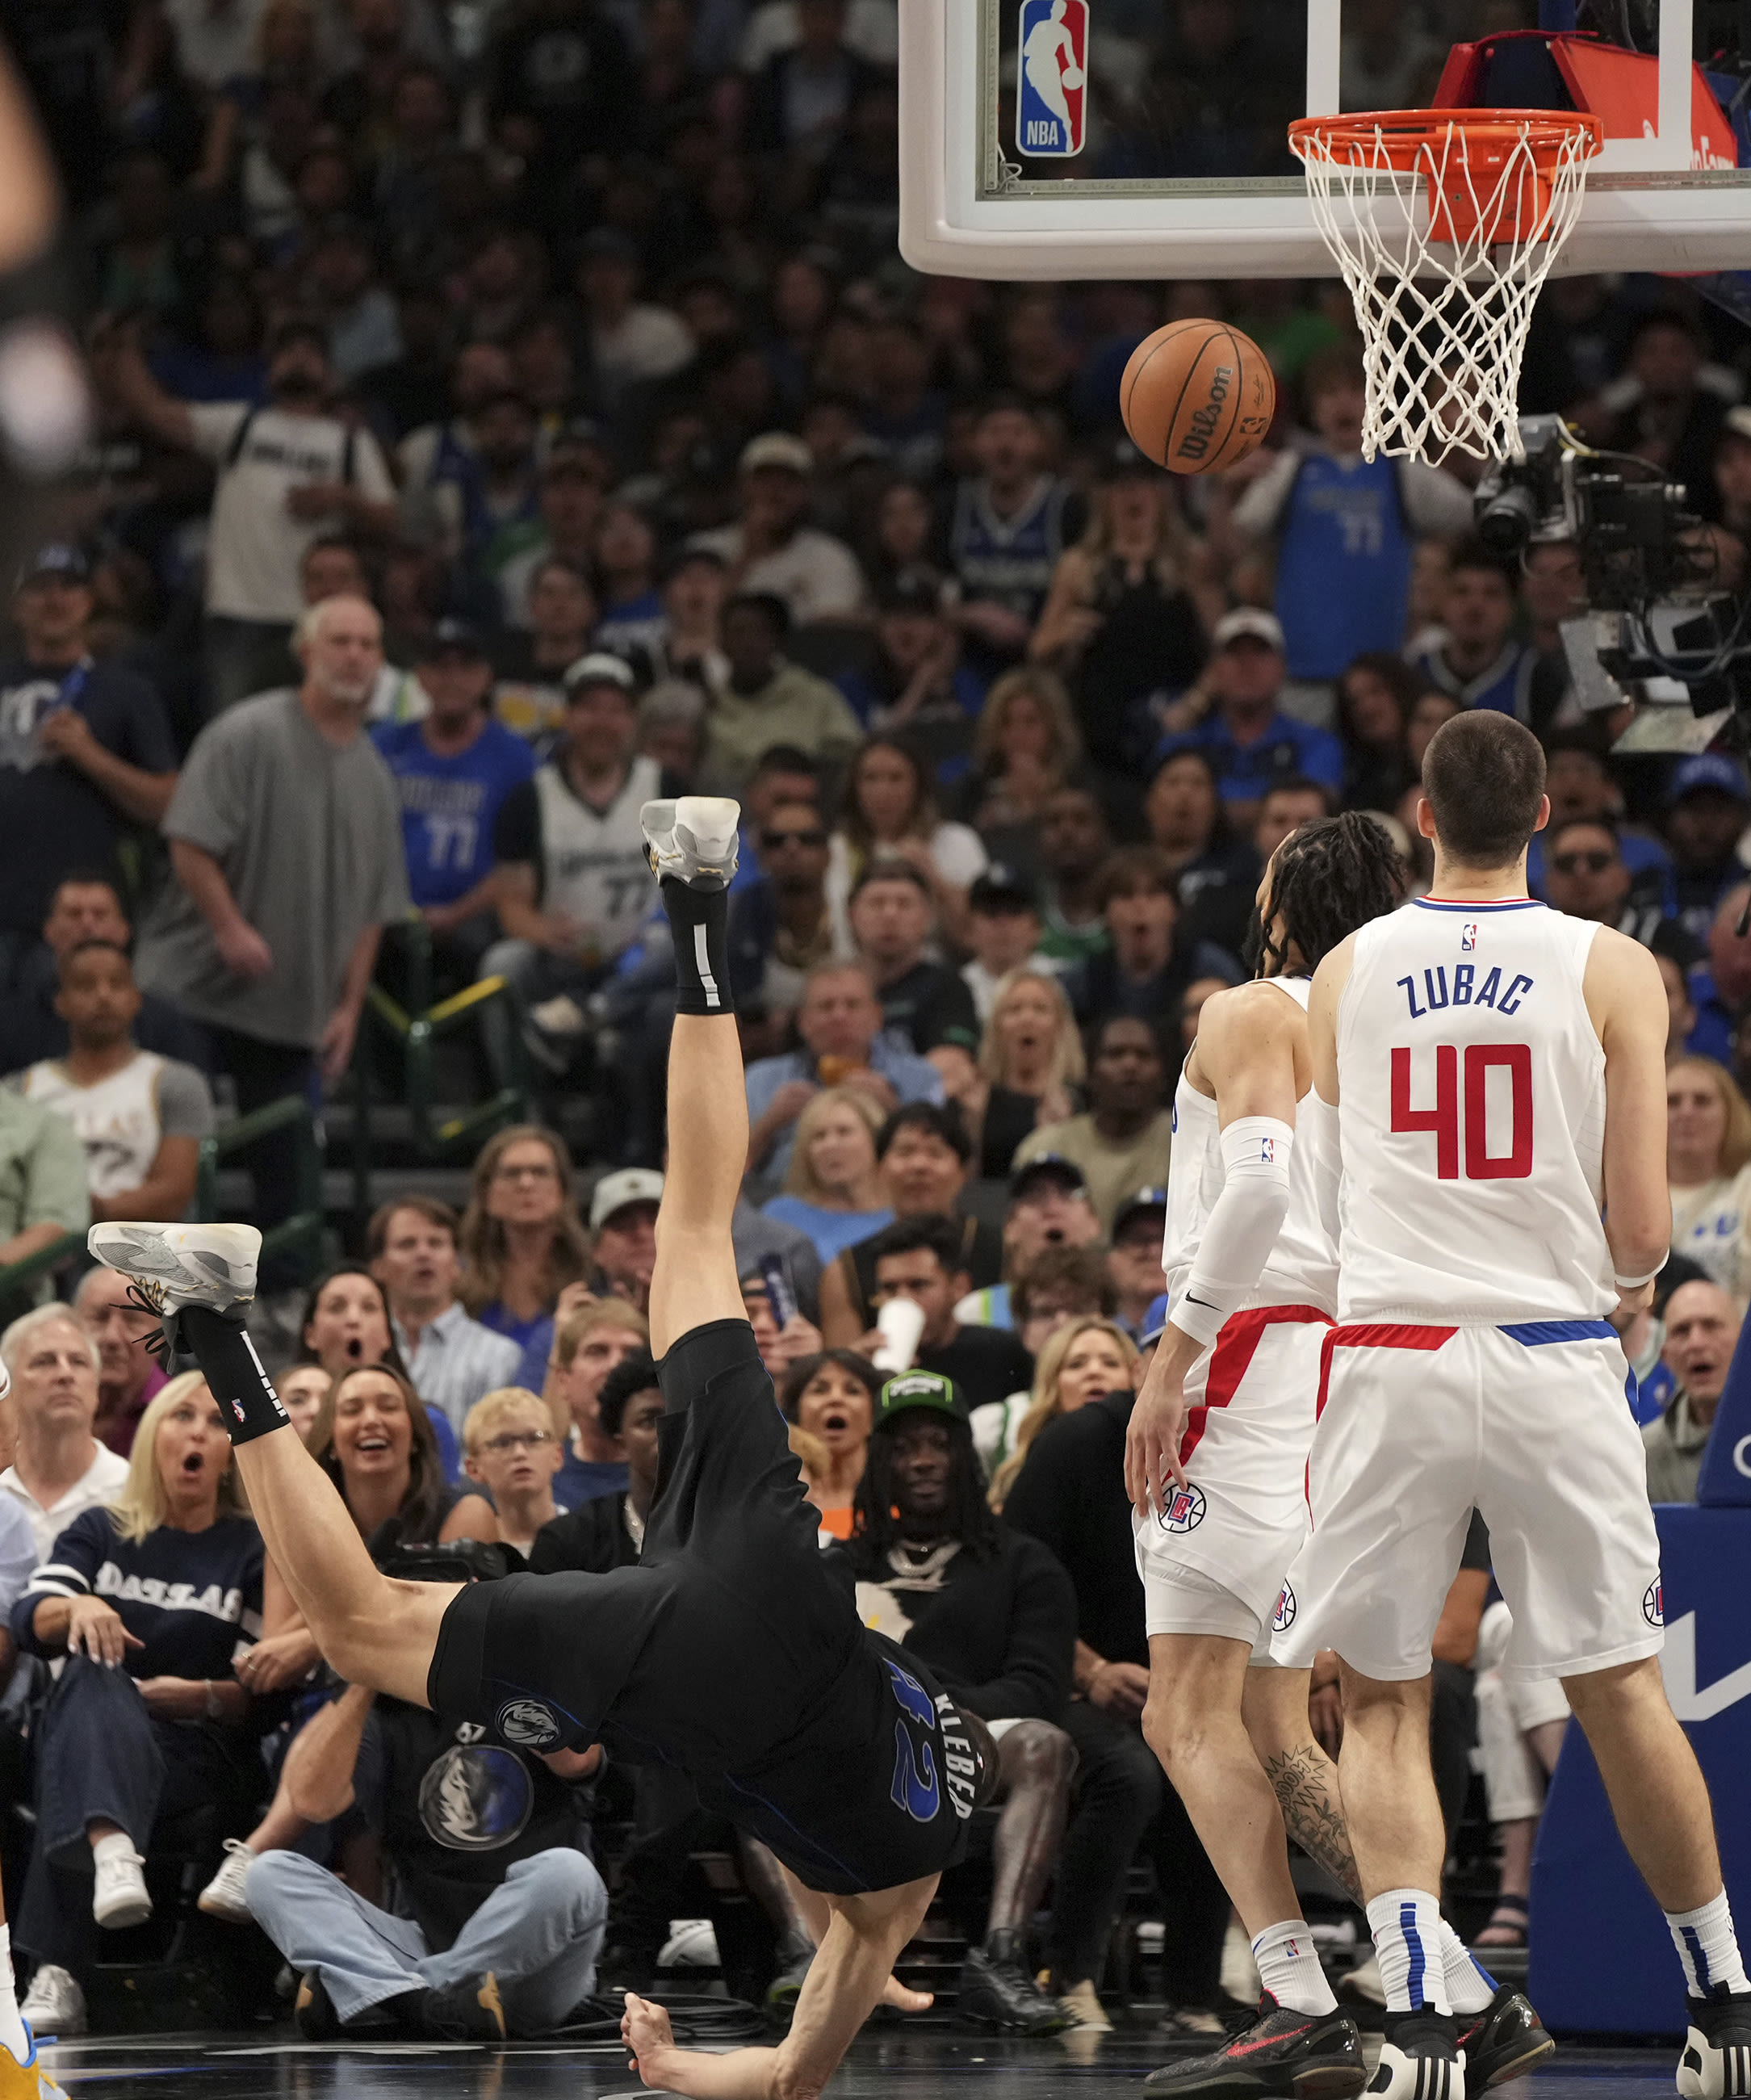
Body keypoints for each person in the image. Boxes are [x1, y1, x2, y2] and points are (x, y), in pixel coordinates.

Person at [91, 790, 1000, 2100]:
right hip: (719, 1672)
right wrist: (681, 2067)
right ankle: (219, 1330)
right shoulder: (883, 1908)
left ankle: (697, 892)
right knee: (357, 1632)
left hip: (783, 1570)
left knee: (693, 1234)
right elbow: (797, 2077)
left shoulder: (929, 1802)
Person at [1276, 709, 1751, 2096]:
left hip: (1391, 1354)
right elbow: (1641, 1230)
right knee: (1615, 1687)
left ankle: (1421, 2006)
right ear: (1540, 813)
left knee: (1375, 1699)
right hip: (1551, 1351)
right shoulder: (1611, 963)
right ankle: (1721, 2000)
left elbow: (1316, 1203)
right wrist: (1590, 1270)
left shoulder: (1346, 968)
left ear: (1417, 818)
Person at [1123, 816, 1468, 2098]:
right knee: (1266, 1710)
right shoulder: (1398, 1027)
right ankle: (1438, 1991)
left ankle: (1308, 1996)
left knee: (1192, 1708)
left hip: (1253, 1358)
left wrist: (1174, 1354)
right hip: (1355, 1364)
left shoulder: (1252, 1007)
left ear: (1283, 900)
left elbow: (1257, 1184)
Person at [134, 595, 408, 1272]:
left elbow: (374, 906)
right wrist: (228, 927)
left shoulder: (375, 774)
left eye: (367, 644)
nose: (354, 655)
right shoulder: (246, 733)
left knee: (289, 1181)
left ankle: (284, 1306)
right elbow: (189, 841)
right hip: (190, 990)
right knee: (178, 1162)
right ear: (306, 651)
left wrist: (348, 1008)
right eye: (340, 640)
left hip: (291, 1009)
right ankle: (158, 1303)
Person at [11, 1374, 285, 2040]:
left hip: (194, 1747)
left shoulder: (250, 1547)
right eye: (181, 1415)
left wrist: (207, 1695)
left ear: (230, 1452)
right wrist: (80, 1604)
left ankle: (60, 1968)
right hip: (93, 1724)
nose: (197, 1431)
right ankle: (111, 1853)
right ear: (151, 1434)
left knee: (78, 1739)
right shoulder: (102, 1527)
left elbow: (266, 1680)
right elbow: (28, 1616)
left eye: (217, 1422)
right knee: (90, 1669)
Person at [245, 1569, 607, 2041]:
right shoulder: (389, 1711)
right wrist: (364, 1674)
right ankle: (429, 2004)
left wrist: (501, 1658)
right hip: (424, 1944)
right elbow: (312, 1801)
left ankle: (385, 1999)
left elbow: (577, 1759)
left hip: (539, 1967)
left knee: (569, 1873)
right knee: (269, 1873)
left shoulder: (538, 1684)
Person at [1001, 1316, 1230, 2038]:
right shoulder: (1074, 1443)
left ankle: (1193, 1990)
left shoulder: (1232, 1445)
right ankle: (1068, 1973)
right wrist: (1093, 1670)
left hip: (1182, 1682)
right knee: (1129, 1772)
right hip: (1066, 1680)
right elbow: (1012, 1586)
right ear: (1146, 1369)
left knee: (1215, 1768)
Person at [848, 1369, 1079, 2035]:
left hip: (976, 1736)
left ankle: (1001, 1959)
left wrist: (934, 1713)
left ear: (964, 1456)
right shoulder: (839, 1564)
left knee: (1044, 1744)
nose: (921, 1459)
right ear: (879, 1463)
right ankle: (805, 1959)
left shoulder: (1023, 1562)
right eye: (902, 1446)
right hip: (859, 1739)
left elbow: (1038, 1687)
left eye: (938, 1443)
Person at [94, 316, 398, 713]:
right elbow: (155, 413)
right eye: (288, 352)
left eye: (310, 352)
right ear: (270, 371)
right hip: (238, 609)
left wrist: (342, 498)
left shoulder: (351, 442)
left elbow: (390, 521)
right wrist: (125, 349)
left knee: (316, 727)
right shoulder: (241, 425)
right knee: (232, 729)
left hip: (316, 615)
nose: (299, 359)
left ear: (329, 374)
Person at [0, 543, 177, 980]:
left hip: (84, 919)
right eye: (40, 589)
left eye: (68, 588)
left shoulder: (127, 692)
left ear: (88, 601)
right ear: (17, 605)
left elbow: (167, 805)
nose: (55, 600)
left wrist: (92, 756)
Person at [484, 652, 671, 1060]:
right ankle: (521, 1108)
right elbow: (512, 906)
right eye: (589, 709)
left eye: (615, 711)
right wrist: (544, 932)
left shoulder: (666, 787)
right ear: (567, 716)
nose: (602, 723)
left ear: (632, 721)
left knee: (675, 945)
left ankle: (595, 1015)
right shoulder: (529, 799)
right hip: (563, 958)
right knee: (504, 964)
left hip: (644, 957)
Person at [1030, 439, 1213, 779]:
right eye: (1120, 485)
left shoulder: (1189, 560)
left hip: (1171, 723)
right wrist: (1062, 635)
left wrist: (1194, 704)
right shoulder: (1079, 566)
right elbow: (1039, 650)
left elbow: (1223, 647)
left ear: (1161, 493)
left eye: (1142, 483)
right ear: (1103, 497)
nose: (1132, 494)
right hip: (1098, 729)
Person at [370, 619, 537, 987]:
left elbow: (520, 860)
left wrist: (456, 914)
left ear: (486, 677)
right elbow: (363, 840)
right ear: (421, 677)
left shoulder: (515, 758)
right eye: (440, 668)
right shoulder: (384, 747)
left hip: (478, 917)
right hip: (391, 912)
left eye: (465, 668)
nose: (452, 679)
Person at [11, 941, 213, 1225]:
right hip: (40, 1248)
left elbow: (174, 1193)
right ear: (60, 1002)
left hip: (138, 1246)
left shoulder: (176, 1084)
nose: (103, 996)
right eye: (85, 986)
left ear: (136, 998)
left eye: (117, 984)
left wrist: (82, 1215)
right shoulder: (19, 1090)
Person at [817, 1101, 1004, 1348]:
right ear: (879, 1168)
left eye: (935, 1153)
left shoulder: (1004, 1252)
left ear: (963, 1173)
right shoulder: (847, 1270)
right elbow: (840, 1370)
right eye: (905, 1152)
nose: (919, 1166)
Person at [744, 961, 943, 1182]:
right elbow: (724, 1173)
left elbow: (941, 1163)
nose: (839, 1017)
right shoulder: (761, 1080)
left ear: (877, 1017)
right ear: (802, 1021)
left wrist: (894, 1113)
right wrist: (769, 1124)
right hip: (776, 1202)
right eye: (826, 1006)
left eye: (852, 1005)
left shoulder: (919, 1077)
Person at [0, 874, 209, 1077]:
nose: (88, 925)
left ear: (124, 930)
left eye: (100, 914)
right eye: (74, 914)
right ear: (49, 931)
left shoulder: (163, 1022)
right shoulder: (15, 1021)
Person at [1154, 610, 1343, 826]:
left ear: (1282, 667)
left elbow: (1315, 817)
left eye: (1260, 651)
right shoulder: (1183, 746)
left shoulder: (1317, 744)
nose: (1247, 665)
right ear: (1214, 669)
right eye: (1234, 653)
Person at [368, 1197, 525, 1440]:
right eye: (407, 1244)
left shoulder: (499, 1357)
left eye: (436, 1243)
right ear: (378, 1267)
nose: (423, 1253)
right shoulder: (363, 1351)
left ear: (456, 1264)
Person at [1015, 1015, 1177, 1233]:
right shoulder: (1045, 1147)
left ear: (1163, 1074)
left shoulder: (1186, 1145)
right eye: (1115, 1054)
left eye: (1144, 1055)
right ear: (1090, 1072)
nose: (1130, 1065)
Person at [861, 1215, 1034, 1418]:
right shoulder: (864, 1363)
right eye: (889, 1289)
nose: (903, 1299)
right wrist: (862, 1379)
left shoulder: (1004, 1354)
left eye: (918, 1285)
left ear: (959, 1287)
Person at [826, 739, 987, 955]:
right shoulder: (836, 850)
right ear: (854, 788)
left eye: (896, 778)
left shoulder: (956, 842)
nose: (883, 791)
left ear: (918, 785)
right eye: (870, 778)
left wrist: (935, 880)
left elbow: (976, 937)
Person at [689, 431, 865, 626]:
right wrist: (748, 554)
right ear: (742, 487)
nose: (775, 492)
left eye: (788, 482)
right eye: (764, 480)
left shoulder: (830, 556)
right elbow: (695, 623)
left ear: (807, 493)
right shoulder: (704, 549)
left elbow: (830, 634)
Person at [968, 1250, 1116, 1477]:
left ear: (1108, 1320)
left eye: (1077, 1309)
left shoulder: (1143, 1414)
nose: (1062, 1323)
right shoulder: (991, 1428)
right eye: (1045, 1312)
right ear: (1024, 1330)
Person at [0, 1307, 130, 1563]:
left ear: (96, 1383)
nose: (65, 1374)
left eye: (79, 1362)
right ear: (8, 1387)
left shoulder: (133, 1492)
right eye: (44, 1361)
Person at [1063, 847, 1241, 1032]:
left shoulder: (1209, 968)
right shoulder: (1084, 981)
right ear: (1105, 913)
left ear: (1174, 909)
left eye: (1153, 894)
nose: (1140, 905)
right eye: (1126, 895)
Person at [698, 593, 864, 790]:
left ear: (777, 640)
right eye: (738, 632)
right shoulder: (707, 706)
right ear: (721, 643)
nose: (749, 643)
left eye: (760, 633)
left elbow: (851, 756)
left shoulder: (815, 696)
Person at [458, 1125, 591, 1363]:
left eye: (540, 1172)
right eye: (511, 1173)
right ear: (486, 1193)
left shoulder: (589, 1277)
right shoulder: (459, 1284)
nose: (526, 1183)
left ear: (562, 1189)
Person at [530, 1351, 664, 1575]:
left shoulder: (733, 1531)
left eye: (681, 1417)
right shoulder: (567, 1541)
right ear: (621, 1440)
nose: (668, 1433)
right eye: (649, 1421)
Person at [953, 967, 1081, 1182]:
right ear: (997, 1027)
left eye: (1040, 1009)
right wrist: (972, 1127)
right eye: (1014, 1010)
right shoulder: (976, 1101)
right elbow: (962, 1183)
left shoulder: (1078, 1099)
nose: (1027, 1019)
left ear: (1059, 1025)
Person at [1406, 543, 1552, 730]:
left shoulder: (1537, 677)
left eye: (1491, 594)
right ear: (1443, 602)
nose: (1475, 606)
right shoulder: (1416, 671)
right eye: (1462, 591)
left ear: (1511, 609)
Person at [846, 860, 980, 1058]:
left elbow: (953, 1065)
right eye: (877, 903)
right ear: (852, 915)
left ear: (926, 918)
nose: (890, 915)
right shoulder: (831, 991)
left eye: (904, 904)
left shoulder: (948, 988)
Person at [763, 1086, 893, 1266]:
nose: (830, 1145)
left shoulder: (900, 1217)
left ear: (876, 1140)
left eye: (844, 1131)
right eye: (819, 1136)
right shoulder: (780, 1215)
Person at [1644, 1279, 1743, 1504]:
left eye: (1711, 1325)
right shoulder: (1644, 1457)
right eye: (1681, 1331)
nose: (1696, 1343)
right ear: (1666, 1356)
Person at [545, 1297, 646, 1511]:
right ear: (564, 1381)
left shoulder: (679, 1476)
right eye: (597, 1351)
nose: (615, 1365)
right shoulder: (540, 1479)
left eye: (632, 1353)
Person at [1666, 1056, 1751, 1297]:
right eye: (1673, 1102)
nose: (1686, 1112)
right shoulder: (1630, 1197)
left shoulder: (1746, 1187)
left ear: (1730, 1113)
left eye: (1702, 1101)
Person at [780, 1349, 880, 1543]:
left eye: (853, 1390)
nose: (836, 1399)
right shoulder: (780, 1504)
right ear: (796, 1413)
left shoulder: (897, 1501)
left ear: (873, 1416)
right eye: (820, 1390)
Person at [73, 1264, 165, 1457]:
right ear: (71, 1328)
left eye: (132, 1321)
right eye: (99, 1318)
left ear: (162, 1337)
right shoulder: (37, 1410)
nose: (112, 1337)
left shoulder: (183, 1415)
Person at [462, 1387, 563, 1557]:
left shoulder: (588, 1536)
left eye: (533, 1438)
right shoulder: (473, 1550)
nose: (520, 1453)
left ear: (557, 1456)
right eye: (502, 1443)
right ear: (473, 1468)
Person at [960, 866, 1058, 1026]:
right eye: (991, 912)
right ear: (970, 928)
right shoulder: (955, 989)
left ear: (1037, 927)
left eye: (1014, 912)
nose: (1003, 924)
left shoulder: (1061, 982)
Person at [1106, 1187, 1168, 1341]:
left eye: (1167, 1238)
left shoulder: (1218, 1335)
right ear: (1111, 1260)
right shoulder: (1095, 1343)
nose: (1154, 1251)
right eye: (1139, 1239)